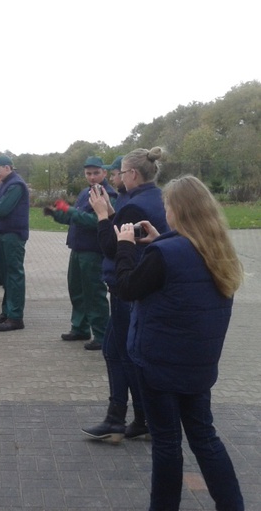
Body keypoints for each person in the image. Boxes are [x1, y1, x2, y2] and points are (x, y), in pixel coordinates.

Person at [114, 175, 244, 511]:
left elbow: (127, 287)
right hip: (198, 363)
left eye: (168, 207)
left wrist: (126, 246)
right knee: (204, 438)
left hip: (159, 363)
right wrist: (163, 240)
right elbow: (183, 270)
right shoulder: (217, 249)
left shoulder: (164, 254)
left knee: (167, 443)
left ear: (178, 211)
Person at [81, 149, 169, 441]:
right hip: (144, 284)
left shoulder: (134, 206)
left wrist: (103, 216)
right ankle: (138, 417)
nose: (116, 177)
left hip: (127, 285)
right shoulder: (154, 198)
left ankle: (120, 418)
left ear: (132, 174)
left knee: (119, 353)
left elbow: (112, 247)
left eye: (120, 172)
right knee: (121, 350)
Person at [45, 156, 115, 349]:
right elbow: (75, 218)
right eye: (88, 173)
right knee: (77, 291)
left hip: (93, 251)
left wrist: (70, 211)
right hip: (77, 249)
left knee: (94, 294)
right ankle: (80, 328)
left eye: (95, 173)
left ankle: (101, 335)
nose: (92, 177)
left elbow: (96, 221)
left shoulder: (107, 195)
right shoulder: (86, 193)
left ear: (104, 173)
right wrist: (57, 214)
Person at [0, 155, 30, 332]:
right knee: (5, 275)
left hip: (13, 235)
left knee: (13, 275)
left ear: (7, 167)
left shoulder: (15, 185)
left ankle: (15, 317)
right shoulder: (5, 184)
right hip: (3, 233)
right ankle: (7, 311)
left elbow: (2, 209)